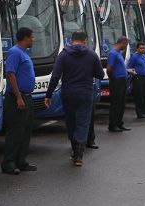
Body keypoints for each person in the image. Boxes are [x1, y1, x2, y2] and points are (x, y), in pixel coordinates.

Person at [45, 31, 105, 166]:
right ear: (85, 40)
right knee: (83, 122)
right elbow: (100, 75)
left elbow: (55, 76)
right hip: (85, 92)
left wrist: (48, 95)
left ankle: (74, 148)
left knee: (71, 121)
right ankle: (79, 155)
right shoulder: (92, 55)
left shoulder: (64, 55)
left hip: (68, 92)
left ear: (71, 40)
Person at [1, 27, 37, 175]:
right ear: (25, 38)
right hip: (17, 98)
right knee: (15, 131)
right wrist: (18, 97)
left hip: (27, 97)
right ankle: (8, 163)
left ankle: (21, 161)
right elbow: (10, 74)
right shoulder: (14, 52)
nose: (33, 40)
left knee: (25, 131)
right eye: (31, 37)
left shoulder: (24, 53)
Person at [107, 37, 132, 132]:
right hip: (117, 82)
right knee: (116, 104)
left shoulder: (119, 54)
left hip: (122, 80)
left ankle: (119, 123)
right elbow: (109, 68)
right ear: (122, 43)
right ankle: (113, 125)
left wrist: (127, 71)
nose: (125, 47)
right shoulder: (113, 53)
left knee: (121, 103)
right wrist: (113, 78)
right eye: (126, 45)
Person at [127, 42, 145, 119]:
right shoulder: (134, 57)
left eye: (143, 48)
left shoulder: (143, 56)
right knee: (139, 96)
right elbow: (129, 67)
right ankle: (140, 113)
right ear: (137, 48)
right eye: (141, 48)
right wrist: (134, 74)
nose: (142, 50)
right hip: (138, 77)